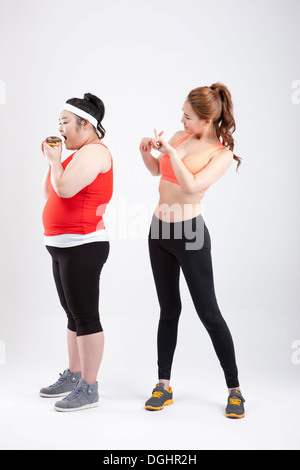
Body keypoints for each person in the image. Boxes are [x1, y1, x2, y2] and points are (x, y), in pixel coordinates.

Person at [139, 83, 245, 418]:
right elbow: (159, 172)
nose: (181, 120)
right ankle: (163, 384)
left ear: (206, 120)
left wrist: (170, 153)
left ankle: (235, 390)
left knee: (209, 314)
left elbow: (192, 185)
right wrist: (148, 153)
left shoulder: (221, 153)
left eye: (188, 116)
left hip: (191, 234)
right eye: (181, 114)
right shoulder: (180, 137)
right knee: (168, 310)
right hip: (159, 230)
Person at [40, 93, 113, 412]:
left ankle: (90, 387)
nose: (60, 128)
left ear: (86, 124)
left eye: (65, 122)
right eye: (59, 122)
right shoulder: (76, 155)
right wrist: (53, 162)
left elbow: (66, 189)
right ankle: (74, 374)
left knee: (85, 317)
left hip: (83, 245)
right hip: (61, 245)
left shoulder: (94, 152)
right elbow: (50, 191)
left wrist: (56, 162)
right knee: (72, 316)